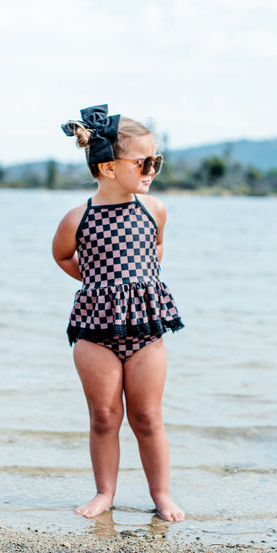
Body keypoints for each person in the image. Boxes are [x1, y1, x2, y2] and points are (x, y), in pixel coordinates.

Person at [52, 104, 185, 522]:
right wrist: (99, 285)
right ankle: (104, 493)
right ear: (108, 168)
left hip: (145, 327)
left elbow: (156, 248)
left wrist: (137, 284)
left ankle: (161, 495)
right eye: (143, 162)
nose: (151, 169)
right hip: (95, 331)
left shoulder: (154, 210)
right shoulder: (78, 218)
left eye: (156, 162)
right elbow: (62, 256)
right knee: (105, 416)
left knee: (147, 416)